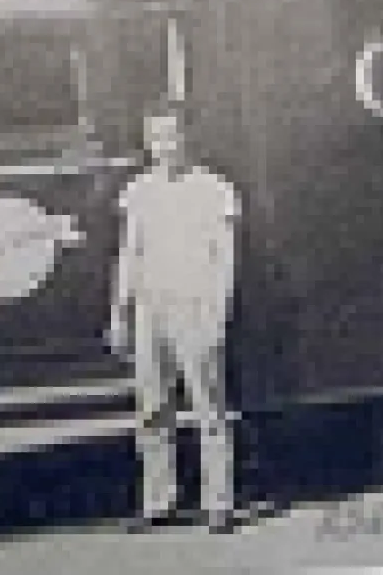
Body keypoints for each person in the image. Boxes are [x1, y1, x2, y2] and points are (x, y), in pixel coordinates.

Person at [107, 99, 244, 533]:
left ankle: (219, 504)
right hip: (152, 307)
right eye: (156, 138)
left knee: (208, 405)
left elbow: (225, 258)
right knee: (151, 407)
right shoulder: (139, 191)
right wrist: (121, 312)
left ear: (189, 137)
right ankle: (158, 502)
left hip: (195, 306)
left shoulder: (215, 190)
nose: (165, 146)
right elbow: (129, 253)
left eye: (172, 135)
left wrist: (218, 313)